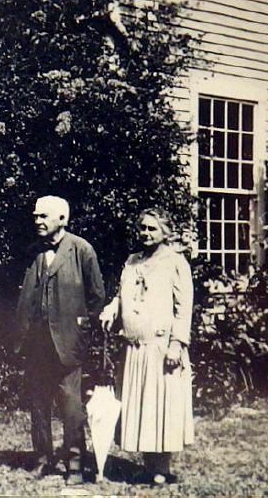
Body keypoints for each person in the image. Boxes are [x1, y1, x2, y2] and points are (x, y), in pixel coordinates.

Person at [99, 207, 194, 486]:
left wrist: (177, 344)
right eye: (142, 227)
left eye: (152, 228)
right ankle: (147, 466)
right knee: (142, 406)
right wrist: (112, 309)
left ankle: (161, 468)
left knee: (161, 406)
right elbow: (122, 295)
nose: (146, 233)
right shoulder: (132, 261)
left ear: (165, 232)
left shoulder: (175, 262)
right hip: (134, 348)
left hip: (161, 348)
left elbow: (184, 308)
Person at [15, 195, 105, 486]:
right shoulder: (33, 252)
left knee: (71, 405)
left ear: (62, 219)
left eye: (44, 216)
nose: (37, 221)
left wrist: (81, 332)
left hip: (68, 343)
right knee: (39, 402)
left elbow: (97, 297)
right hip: (37, 342)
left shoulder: (82, 250)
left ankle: (75, 463)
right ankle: (43, 459)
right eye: (36, 215)